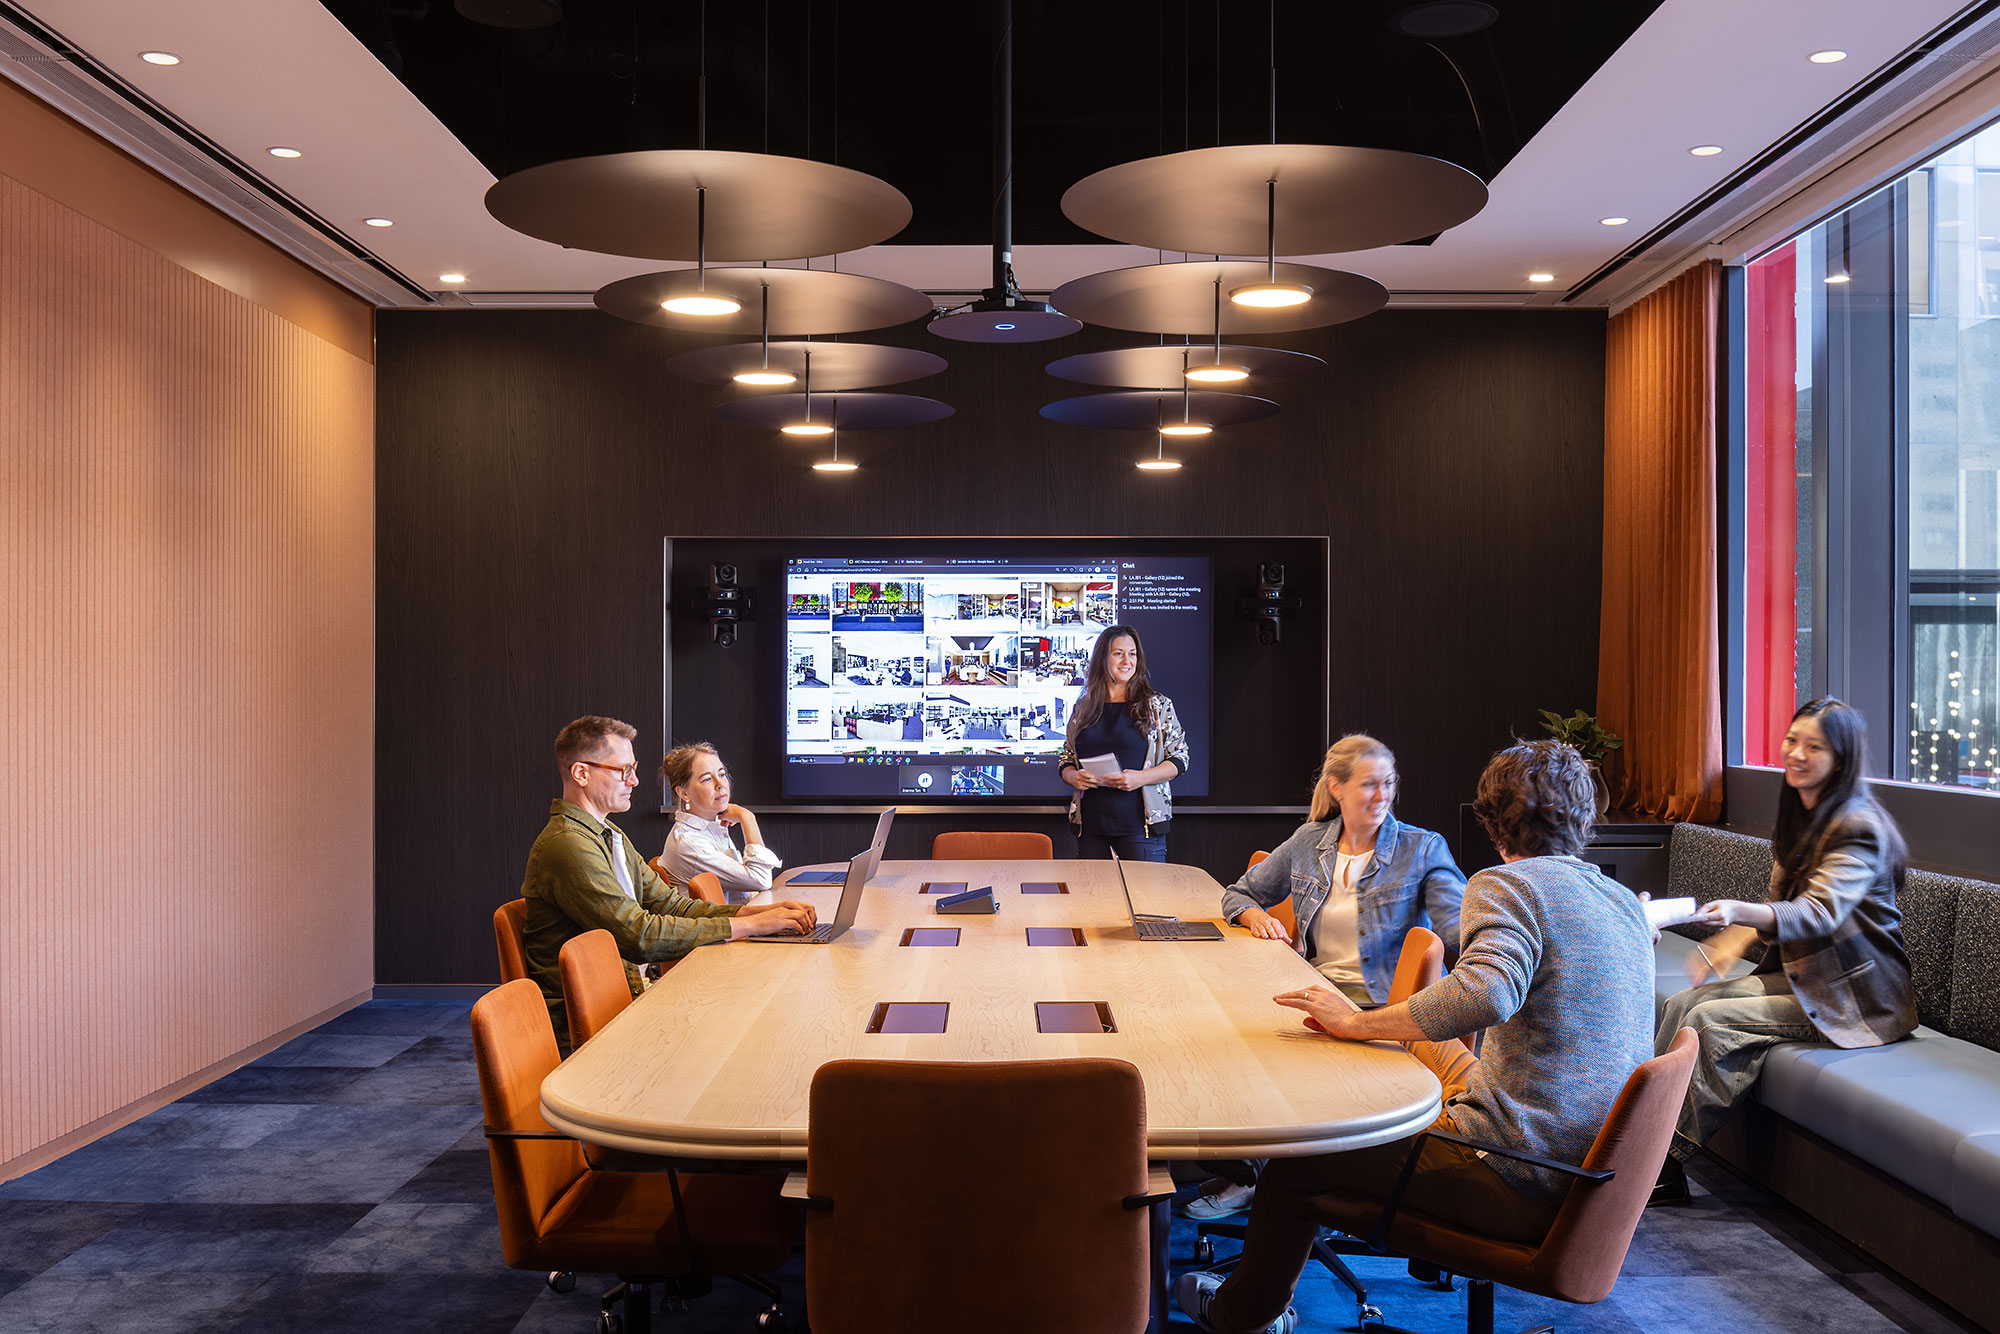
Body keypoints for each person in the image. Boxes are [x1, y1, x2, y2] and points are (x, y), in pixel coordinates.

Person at [1176, 740, 1656, 1334]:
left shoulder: (1509, 885)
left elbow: (1487, 993)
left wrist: (1354, 1023)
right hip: (1594, 1180)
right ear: (1586, 818)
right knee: (1421, 1061)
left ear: (1492, 818)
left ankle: (1237, 1315)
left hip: (1516, 1174)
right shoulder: (1621, 900)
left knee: (1297, 1168)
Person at [1184, 735, 1466, 1221]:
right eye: (1369, 785)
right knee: (1211, 1037)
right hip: (1318, 995)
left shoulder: (1421, 849)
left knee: (1249, 1055)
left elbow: (1462, 924)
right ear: (1336, 787)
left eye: (1389, 785)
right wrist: (1256, 918)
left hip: (1379, 1012)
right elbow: (1239, 893)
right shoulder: (1307, 844)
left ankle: (1258, 1177)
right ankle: (1251, 1169)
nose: (1382, 796)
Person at [1653, 698, 1915, 1199]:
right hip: (1806, 976)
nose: (1796, 753)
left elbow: (1818, 912)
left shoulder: (1859, 828)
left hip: (1857, 1002)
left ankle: (1664, 1163)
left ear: (1840, 759)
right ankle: (1635, 1138)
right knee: (1685, 1003)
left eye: (1813, 746)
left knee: (1710, 1021)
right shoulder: (1802, 816)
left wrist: (1738, 914)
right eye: (1792, 740)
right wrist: (1735, 938)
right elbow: (1784, 906)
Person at [521, 716, 818, 1051]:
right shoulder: (568, 844)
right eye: (622, 770)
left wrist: (751, 914)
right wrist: (749, 926)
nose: (634, 780)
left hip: (625, 996)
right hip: (593, 1027)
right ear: (581, 773)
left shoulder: (608, 834)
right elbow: (639, 936)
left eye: (632, 768)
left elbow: (670, 904)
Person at [1056, 625, 1188, 861]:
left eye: (1132, 653)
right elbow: (1066, 758)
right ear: (1102, 658)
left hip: (1141, 828)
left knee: (1144, 899)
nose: (1127, 661)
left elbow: (1180, 758)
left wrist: (1140, 778)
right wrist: (1073, 777)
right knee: (1094, 898)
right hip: (1091, 828)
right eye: (1118, 653)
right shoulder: (1083, 707)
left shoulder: (1157, 706)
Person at [657, 742, 783, 899]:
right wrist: (747, 817)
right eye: (707, 779)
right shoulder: (691, 844)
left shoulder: (710, 826)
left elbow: (747, 890)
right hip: (723, 923)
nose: (720, 784)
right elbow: (760, 879)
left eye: (722, 774)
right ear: (684, 793)